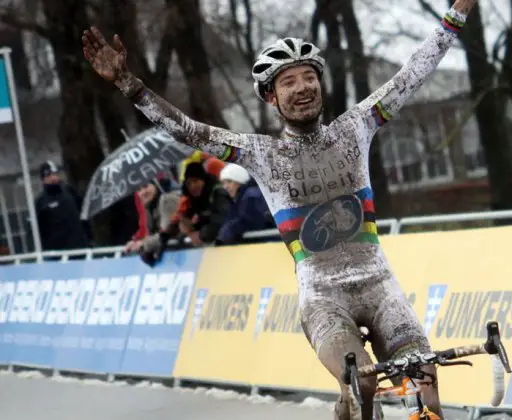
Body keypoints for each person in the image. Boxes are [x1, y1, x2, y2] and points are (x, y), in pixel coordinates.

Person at [82, 1, 476, 416]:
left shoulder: (356, 127)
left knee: (425, 383)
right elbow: (187, 128)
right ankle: (352, 402)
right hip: (324, 299)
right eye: (289, 82)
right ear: (271, 96)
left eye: (310, 77)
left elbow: (411, 75)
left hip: (381, 288)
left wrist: (456, 17)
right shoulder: (260, 154)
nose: (303, 87)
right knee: (362, 384)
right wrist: (130, 85)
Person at [34, 161, 91, 254]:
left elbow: (83, 214)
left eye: (55, 174)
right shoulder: (41, 202)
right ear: (43, 179)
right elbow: (37, 229)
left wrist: (89, 238)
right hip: (58, 253)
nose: (53, 178)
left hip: (80, 247)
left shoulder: (69, 192)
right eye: (49, 175)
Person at [216, 163, 274, 245]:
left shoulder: (252, 195)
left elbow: (255, 221)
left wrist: (231, 229)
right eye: (224, 183)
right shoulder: (235, 200)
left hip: (270, 244)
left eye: (229, 181)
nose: (225, 186)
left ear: (239, 180)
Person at [124, 175, 180, 254]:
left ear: (155, 185)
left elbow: (167, 234)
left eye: (146, 186)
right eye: (138, 190)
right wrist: (136, 242)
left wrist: (143, 244)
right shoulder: (149, 208)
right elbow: (151, 236)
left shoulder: (167, 200)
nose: (143, 192)